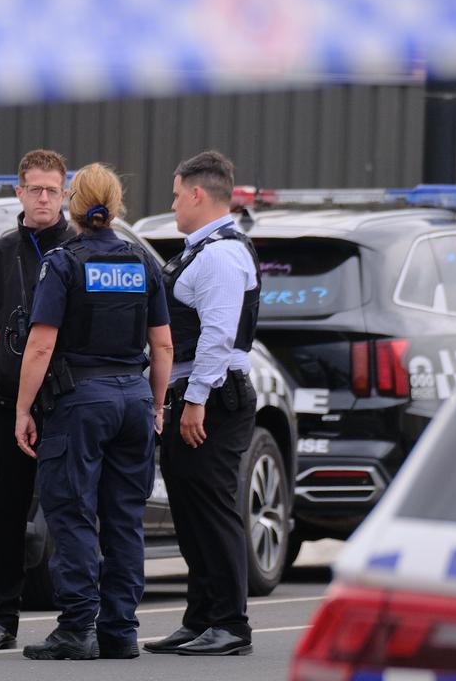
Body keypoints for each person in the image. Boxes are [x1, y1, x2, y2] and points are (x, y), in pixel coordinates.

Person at [13, 163, 174, 661]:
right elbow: (163, 345)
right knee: (125, 518)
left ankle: (78, 628)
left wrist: (23, 409)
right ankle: (120, 631)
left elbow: (40, 347)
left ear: (71, 203)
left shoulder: (63, 262)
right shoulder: (141, 261)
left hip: (81, 402)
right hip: (133, 400)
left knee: (74, 512)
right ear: (116, 204)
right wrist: (158, 404)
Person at [0, 149, 77, 651]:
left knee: (72, 510)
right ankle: (1, 617)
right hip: (7, 403)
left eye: (53, 189)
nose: (44, 197)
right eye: (35, 189)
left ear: (66, 193)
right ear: (19, 192)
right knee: (6, 513)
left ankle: (78, 618)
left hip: (70, 403)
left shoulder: (82, 249)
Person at [144, 150, 259, 657]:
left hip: (213, 396)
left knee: (213, 511)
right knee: (190, 513)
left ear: (196, 193)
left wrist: (195, 401)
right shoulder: (200, 249)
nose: (172, 205)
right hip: (194, 394)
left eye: (174, 195)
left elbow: (217, 334)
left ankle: (230, 623)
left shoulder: (220, 254)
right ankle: (202, 617)